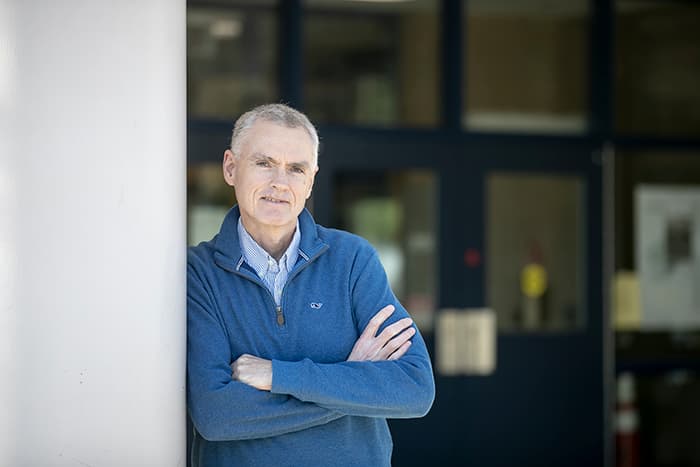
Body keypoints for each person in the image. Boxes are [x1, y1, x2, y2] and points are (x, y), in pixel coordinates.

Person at [187, 103, 435, 467]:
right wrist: (352, 381)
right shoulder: (199, 273)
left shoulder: (352, 260)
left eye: (296, 169)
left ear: (311, 180)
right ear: (230, 167)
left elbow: (415, 389)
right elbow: (216, 417)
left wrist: (278, 375)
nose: (279, 183)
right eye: (264, 163)